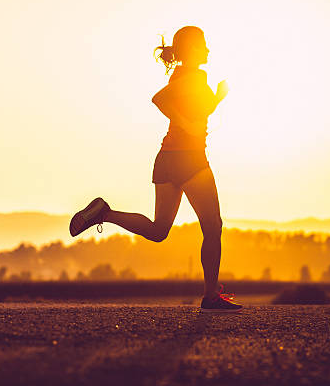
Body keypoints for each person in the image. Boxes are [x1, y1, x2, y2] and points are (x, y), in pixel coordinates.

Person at [69, 26, 242, 313]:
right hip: (190, 159)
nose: (209, 49)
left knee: (159, 230)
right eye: (203, 45)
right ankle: (211, 296)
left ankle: (104, 213)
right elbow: (160, 99)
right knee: (213, 227)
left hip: (167, 159)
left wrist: (217, 99)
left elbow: (198, 110)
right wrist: (186, 123)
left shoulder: (187, 76)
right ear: (192, 49)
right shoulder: (192, 75)